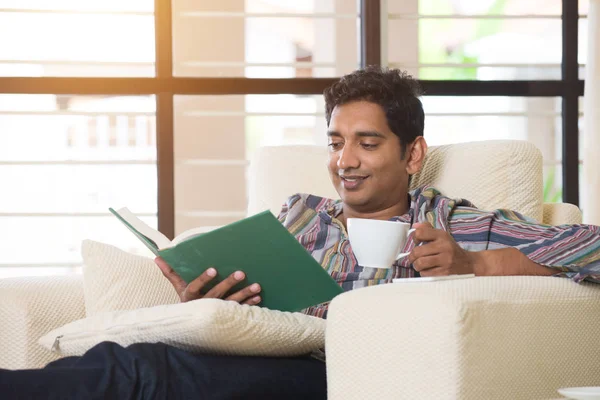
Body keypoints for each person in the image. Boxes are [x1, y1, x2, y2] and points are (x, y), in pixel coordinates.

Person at [1, 67, 599, 399]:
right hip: (262, 357)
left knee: (143, 375)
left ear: (413, 153)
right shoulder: (301, 212)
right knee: (133, 361)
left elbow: (595, 250)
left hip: (339, 376)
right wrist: (209, 295)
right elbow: (257, 307)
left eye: (368, 143)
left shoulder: (452, 221)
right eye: (336, 143)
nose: (346, 161)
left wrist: (475, 265)